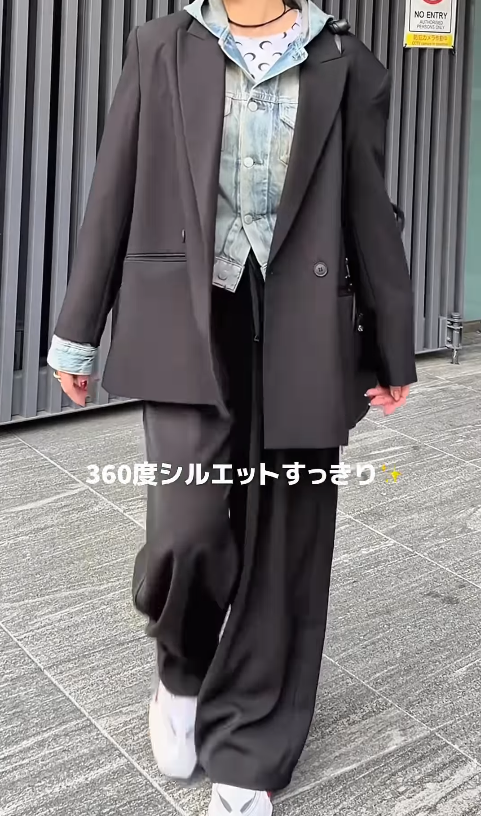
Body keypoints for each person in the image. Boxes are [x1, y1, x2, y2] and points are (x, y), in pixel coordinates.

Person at [47, 1, 416, 813]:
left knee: (284, 538)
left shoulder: (346, 61)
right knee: (186, 528)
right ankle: (183, 671)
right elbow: (113, 187)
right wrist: (77, 331)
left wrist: (390, 345)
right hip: (184, 315)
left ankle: (250, 743)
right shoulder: (160, 46)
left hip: (306, 325)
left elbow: (368, 206)